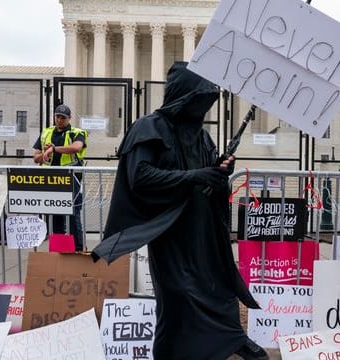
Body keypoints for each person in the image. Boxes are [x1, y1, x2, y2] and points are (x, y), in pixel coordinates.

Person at [92, 62, 268, 360]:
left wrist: (219, 172)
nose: (202, 110)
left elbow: (209, 180)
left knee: (216, 286)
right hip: (170, 230)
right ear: (183, 98)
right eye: (197, 101)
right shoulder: (150, 128)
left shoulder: (202, 136)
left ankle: (231, 339)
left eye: (206, 103)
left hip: (203, 230)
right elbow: (141, 177)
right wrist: (196, 177)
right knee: (179, 294)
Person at [33, 104, 87, 252]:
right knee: (54, 214)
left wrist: (54, 149)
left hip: (71, 179)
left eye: (63, 117)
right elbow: (36, 158)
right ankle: (59, 248)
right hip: (51, 180)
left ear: (69, 118)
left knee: (72, 213)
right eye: (57, 116)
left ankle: (77, 248)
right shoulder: (46, 132)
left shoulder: (77, 132)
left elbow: (76, 147)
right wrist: (44, 153)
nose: (60, 120)